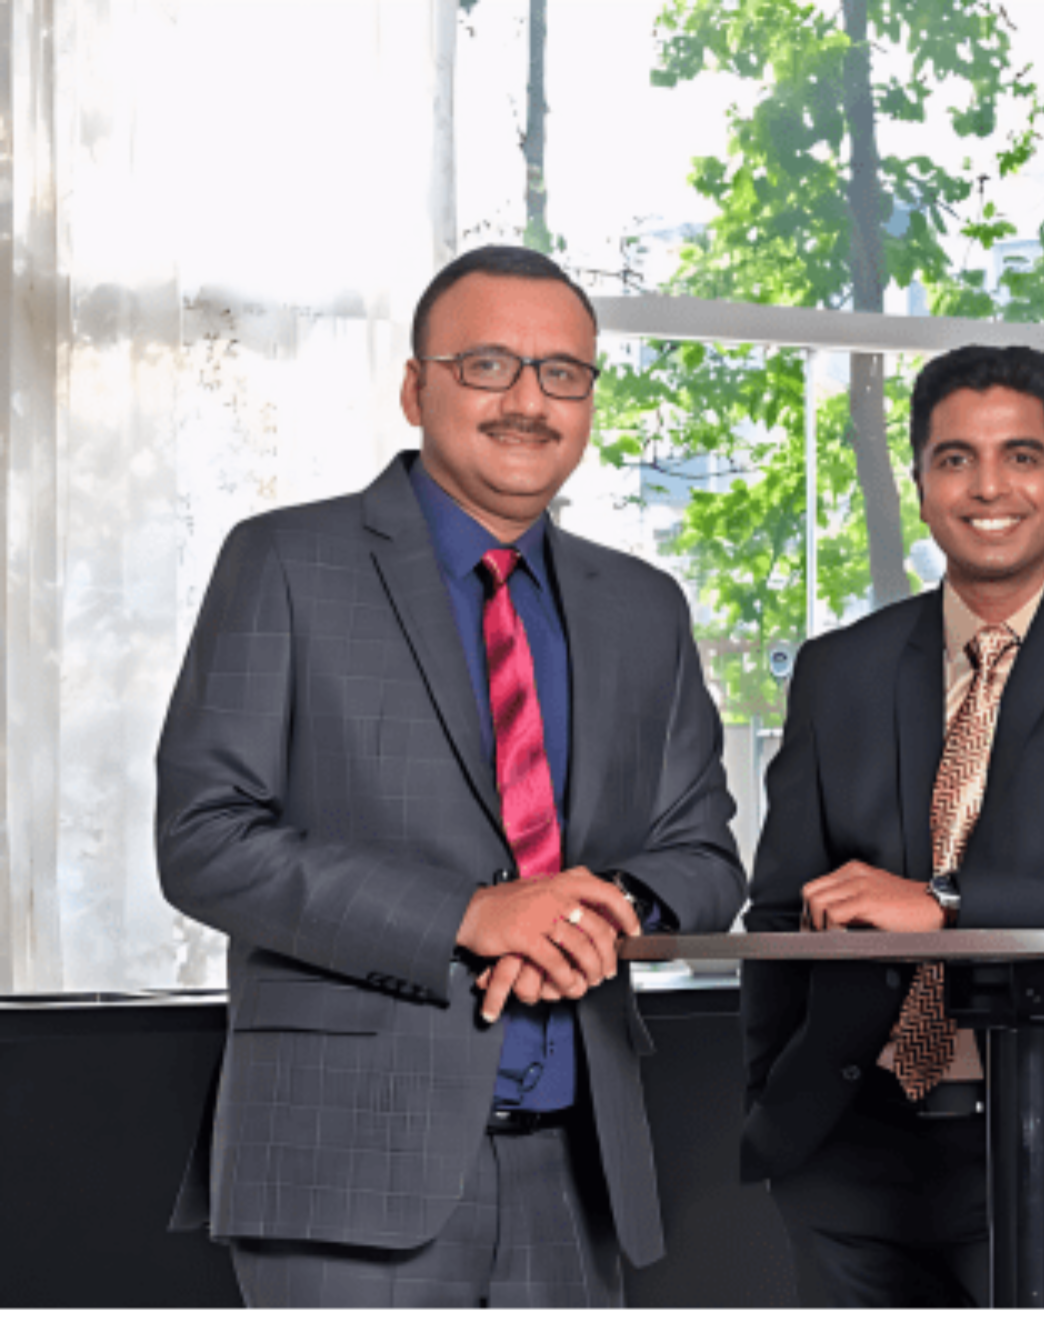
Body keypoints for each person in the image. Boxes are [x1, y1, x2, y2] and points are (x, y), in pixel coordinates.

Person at [155, 245, 745, 1307]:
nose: (528, 400)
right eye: (487, 365)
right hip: (343, 1172)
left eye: (561, 372)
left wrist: (591, 911)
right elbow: (205, 839)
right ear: (414, 387)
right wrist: (470, 915)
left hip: (577, 1169)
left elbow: (703, 854)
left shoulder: (643, 606)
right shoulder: (285, 562)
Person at [738, 344, 1044, 1307]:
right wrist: (772, 1096)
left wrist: (945, 905)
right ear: (921, 486)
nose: (989, 486)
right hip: (846, 1146)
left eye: (1021, 456)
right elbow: (779, 911)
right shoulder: (838, 669)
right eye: (955, 458)